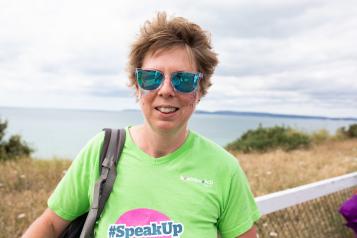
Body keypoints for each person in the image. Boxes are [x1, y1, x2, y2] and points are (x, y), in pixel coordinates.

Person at [22, 12, 260, 238]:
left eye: (183, 79)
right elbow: (51, 224)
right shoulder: (102, 152)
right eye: (151, 77)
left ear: (199, 90)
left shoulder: (223, 169)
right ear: (137, 87)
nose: (166, 90)